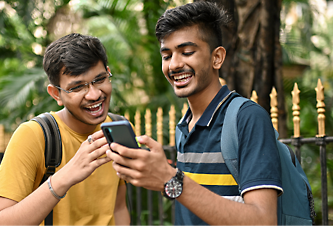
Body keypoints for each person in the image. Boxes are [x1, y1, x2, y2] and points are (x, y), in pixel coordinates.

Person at [106, 2, 282, 225]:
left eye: (187, 52)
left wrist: (170, 178)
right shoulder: (185, 125)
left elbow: (263, 220)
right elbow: (194, 199)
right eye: (167, 55)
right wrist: (160, 178)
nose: (174, 65)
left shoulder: (247, 118)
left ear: (217, 57)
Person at [0, 33, 130, 226]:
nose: (95, 94)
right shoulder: (33, 135)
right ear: (56, 94)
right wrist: (65, 176)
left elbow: (118, 207)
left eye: (99, 80)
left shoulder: (117, 128)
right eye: (78, 87)